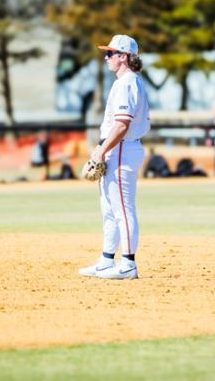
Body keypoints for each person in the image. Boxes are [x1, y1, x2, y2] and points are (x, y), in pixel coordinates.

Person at [79, 34, 150, 280]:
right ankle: (106, 261)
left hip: (121, 148)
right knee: (109, 209)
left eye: (110, 53)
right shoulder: (126, 82)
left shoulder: (127, 82)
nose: (106, 57)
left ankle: (128, 263)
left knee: (122, 208)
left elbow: (121, 125)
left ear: (124, 57)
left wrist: (100, 151)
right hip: (118, 148)